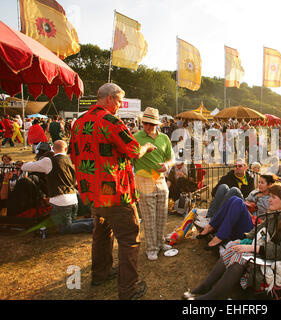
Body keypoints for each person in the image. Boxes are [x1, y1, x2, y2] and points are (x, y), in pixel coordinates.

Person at [69, 83, 156, 300]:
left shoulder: (78, 123)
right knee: (129, 238)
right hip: (116, 192)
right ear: (108, 99)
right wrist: (147, 147)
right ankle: (129, 290)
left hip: (92, 193)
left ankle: (101, 274)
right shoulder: (110, 121)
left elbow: (74, 153)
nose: (119, 106)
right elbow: (134, 150)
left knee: (101, 234)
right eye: (118, 101)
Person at [183, 182, 281, 300]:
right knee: (233, 247)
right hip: (272, 249)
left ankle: (212, 296)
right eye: (270, 196)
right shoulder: (277, 213)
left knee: (241, 256)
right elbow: (260, 228)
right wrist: (243, 240)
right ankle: (206, 286)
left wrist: (250, 248)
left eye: (273, 197)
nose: (269, 200)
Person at [20, 140, 93, 234]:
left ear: (53, 149)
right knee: (72, 223)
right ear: (66, 149)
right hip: (73, 198)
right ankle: (95, 223)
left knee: (65, 228)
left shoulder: (48, 161)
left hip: (61, 200)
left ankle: (95, 225)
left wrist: (24, 163)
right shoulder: (70, 160)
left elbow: (25, 167)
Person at [133, 107, 175, 261]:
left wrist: (167, 165)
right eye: (145, 123)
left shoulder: (164, 138)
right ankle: (151, 248)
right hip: (143, 180)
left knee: (162, 215)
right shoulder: (136, 137)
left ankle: (160, 242)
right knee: (149, 217)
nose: (148, 126)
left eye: (151, 124)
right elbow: (130, 158)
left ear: (157, 124)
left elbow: (172, 158)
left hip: (160, 180)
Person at [197, 174, 277, 250]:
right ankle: (211, 225)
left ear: (270, 185)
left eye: (262, 183)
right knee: (233, 198)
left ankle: (219, 234)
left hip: (252, 225)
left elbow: (263, 219)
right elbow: (246, 200)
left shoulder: (270, 200)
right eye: (259, 182)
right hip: (246, 215)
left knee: (237, 199)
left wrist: (249, 210)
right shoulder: (256, 192)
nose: (259, 184)